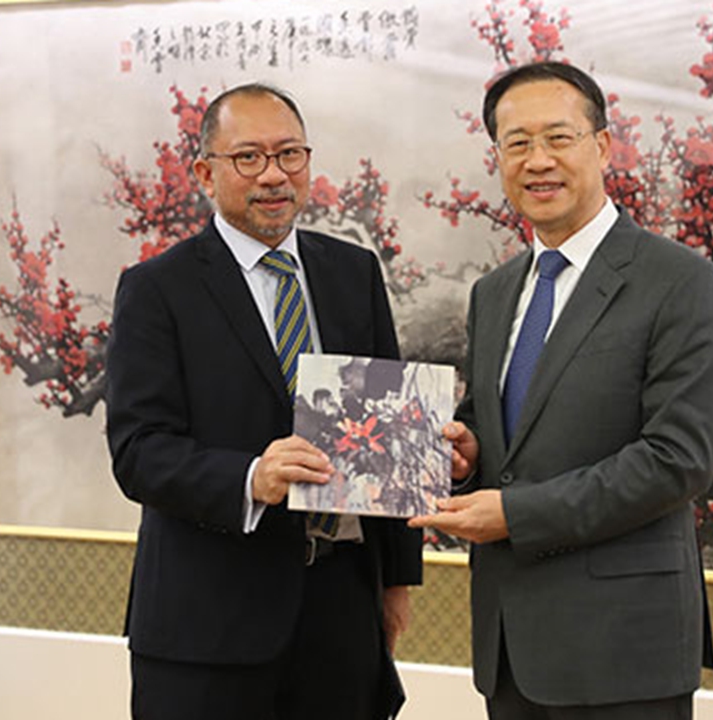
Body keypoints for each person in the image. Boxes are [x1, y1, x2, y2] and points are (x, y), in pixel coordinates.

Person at [410, 62, 713, 719]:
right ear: (496, 157)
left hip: (623, 649)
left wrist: (516, 514)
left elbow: (678, 458)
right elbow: (502, 431)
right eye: (517, 143)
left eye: (558, 138)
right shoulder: (494, 293)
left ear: (603, 146)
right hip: (509, 648)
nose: (538, 161)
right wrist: (465, 453)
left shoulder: (678, 280)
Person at [105, 82, 422, 720]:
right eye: (248, 157)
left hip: (340, 614)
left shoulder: (353, 273)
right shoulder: (156, 289)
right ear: (205, 172)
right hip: (207, 625)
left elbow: (386, 432)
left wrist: (396, 581)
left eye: (290, 155)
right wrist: (252, 477)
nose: (273, 175)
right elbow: (138, 451)